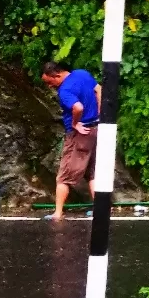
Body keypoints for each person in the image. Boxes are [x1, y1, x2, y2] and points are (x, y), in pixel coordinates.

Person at [40, 61, 101, 220]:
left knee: (64, 176)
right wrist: (100, 115)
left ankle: (58, 213)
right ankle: (101, 211)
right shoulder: (82, 73)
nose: (49, 86)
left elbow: (78, 107)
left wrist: (75, 124)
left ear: (56, 75)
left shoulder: (65, 90)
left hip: (79, 135)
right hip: (95, 130)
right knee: (93, 173)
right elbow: (99, 90)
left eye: (49, 82)